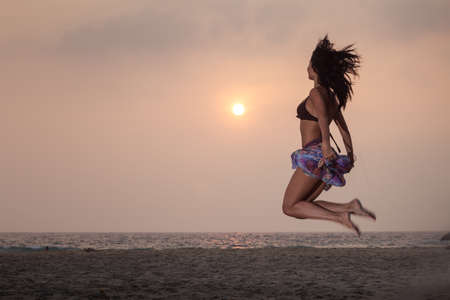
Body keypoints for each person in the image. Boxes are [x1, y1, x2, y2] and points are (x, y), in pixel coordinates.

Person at [282, 34, 376, 237]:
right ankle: (349, 207)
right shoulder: (331, 96)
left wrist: (325, 145)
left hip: (316, 155)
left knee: (289, 207)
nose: (306, 68)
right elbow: (344, 129)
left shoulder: (316, 93)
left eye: (309, 65)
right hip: (324, 155)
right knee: (303, 205)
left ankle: (339, 217)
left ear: (316, 69)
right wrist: (350, 157)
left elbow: (324, 118)